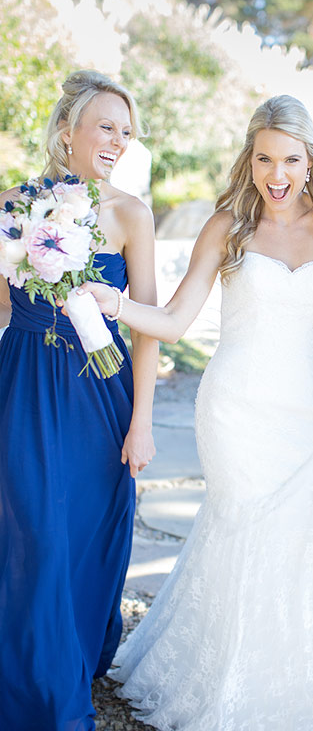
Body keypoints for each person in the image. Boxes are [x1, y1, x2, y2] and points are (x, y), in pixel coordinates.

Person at [79, 94, 313, 730]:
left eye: (289, 158)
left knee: (306, 538)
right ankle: (231, 682)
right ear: (250, 159)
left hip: (305, 409)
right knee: (248, 533)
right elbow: (174, 321)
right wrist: (114, 305)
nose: (276, 174)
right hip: (232, 410)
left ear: (309, 159)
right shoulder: (227, 226)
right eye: (264, 158)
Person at [0, 70, 159, 731]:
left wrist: (142, 422)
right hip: (27, 384)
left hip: (103, 396)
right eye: (105, 126)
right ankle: (47, 700)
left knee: (82, 536)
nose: (117, 141)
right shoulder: (14, 202)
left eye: (126, 131)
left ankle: (67, 662)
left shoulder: (131, 214)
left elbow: (147, 322)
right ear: (67, 132)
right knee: (34, 532)